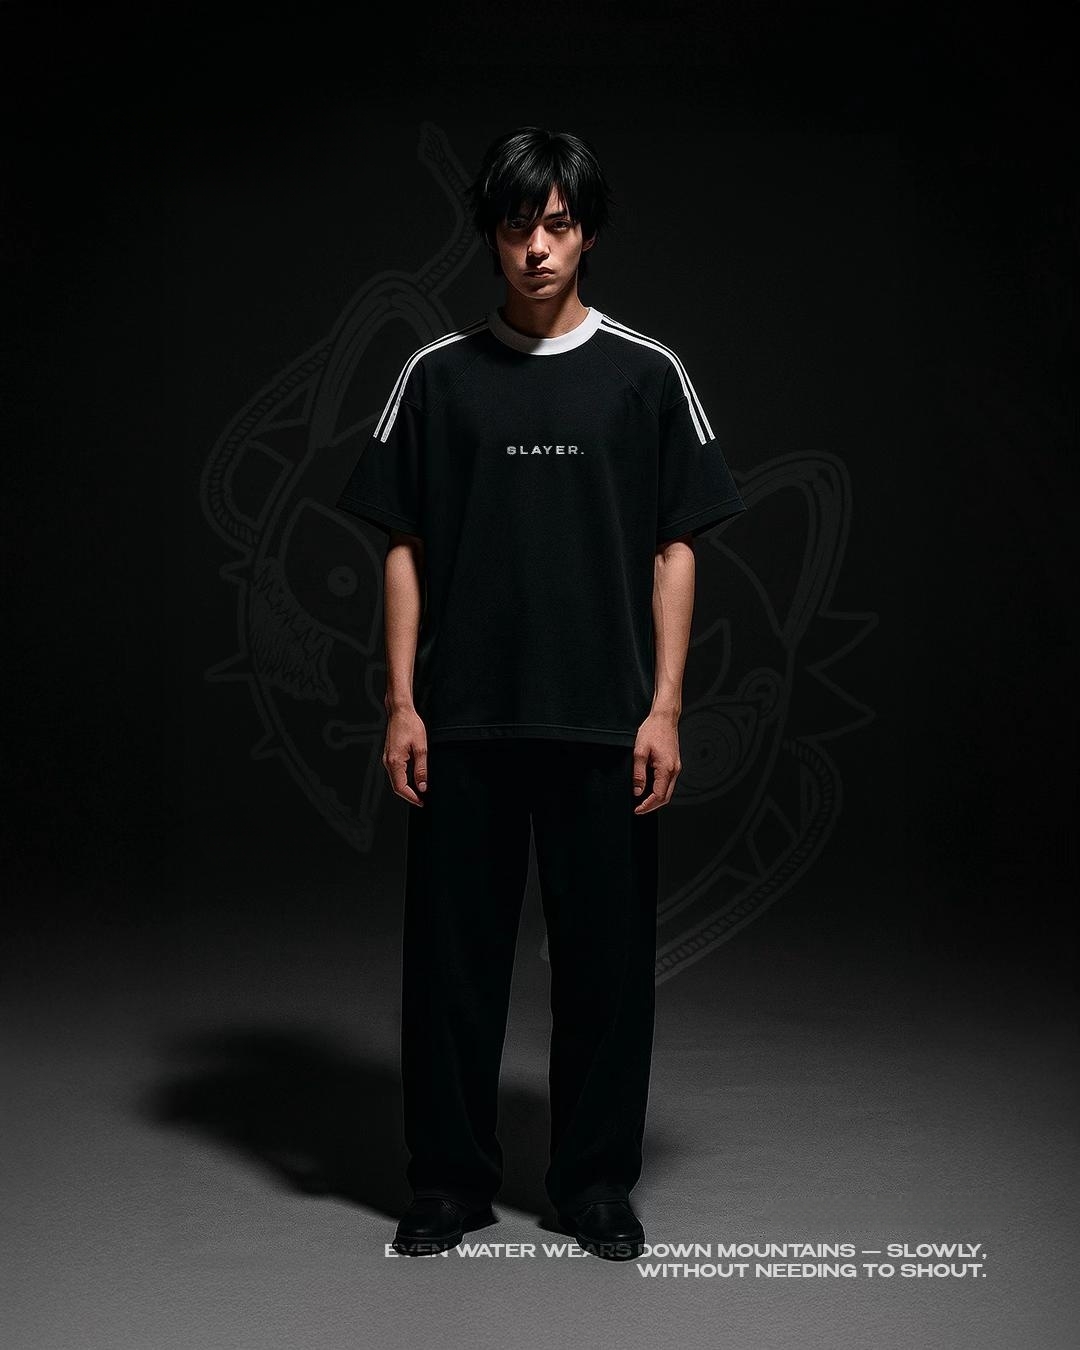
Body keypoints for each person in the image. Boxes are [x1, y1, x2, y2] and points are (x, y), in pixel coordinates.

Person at [336, 126, 747, 1261]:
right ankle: (449, 1182)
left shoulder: (648, 374)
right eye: (517, 225)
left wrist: (664, 709)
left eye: (558, 225)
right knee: (450, 969)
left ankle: (595, 1183)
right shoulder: (436, 375)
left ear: (588, 234)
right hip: (463, 719)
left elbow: (675, 547)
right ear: (492, 235)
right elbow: (403, 544)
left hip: (605, 720)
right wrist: (402, 703)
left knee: (607, 972)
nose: (537, 248)